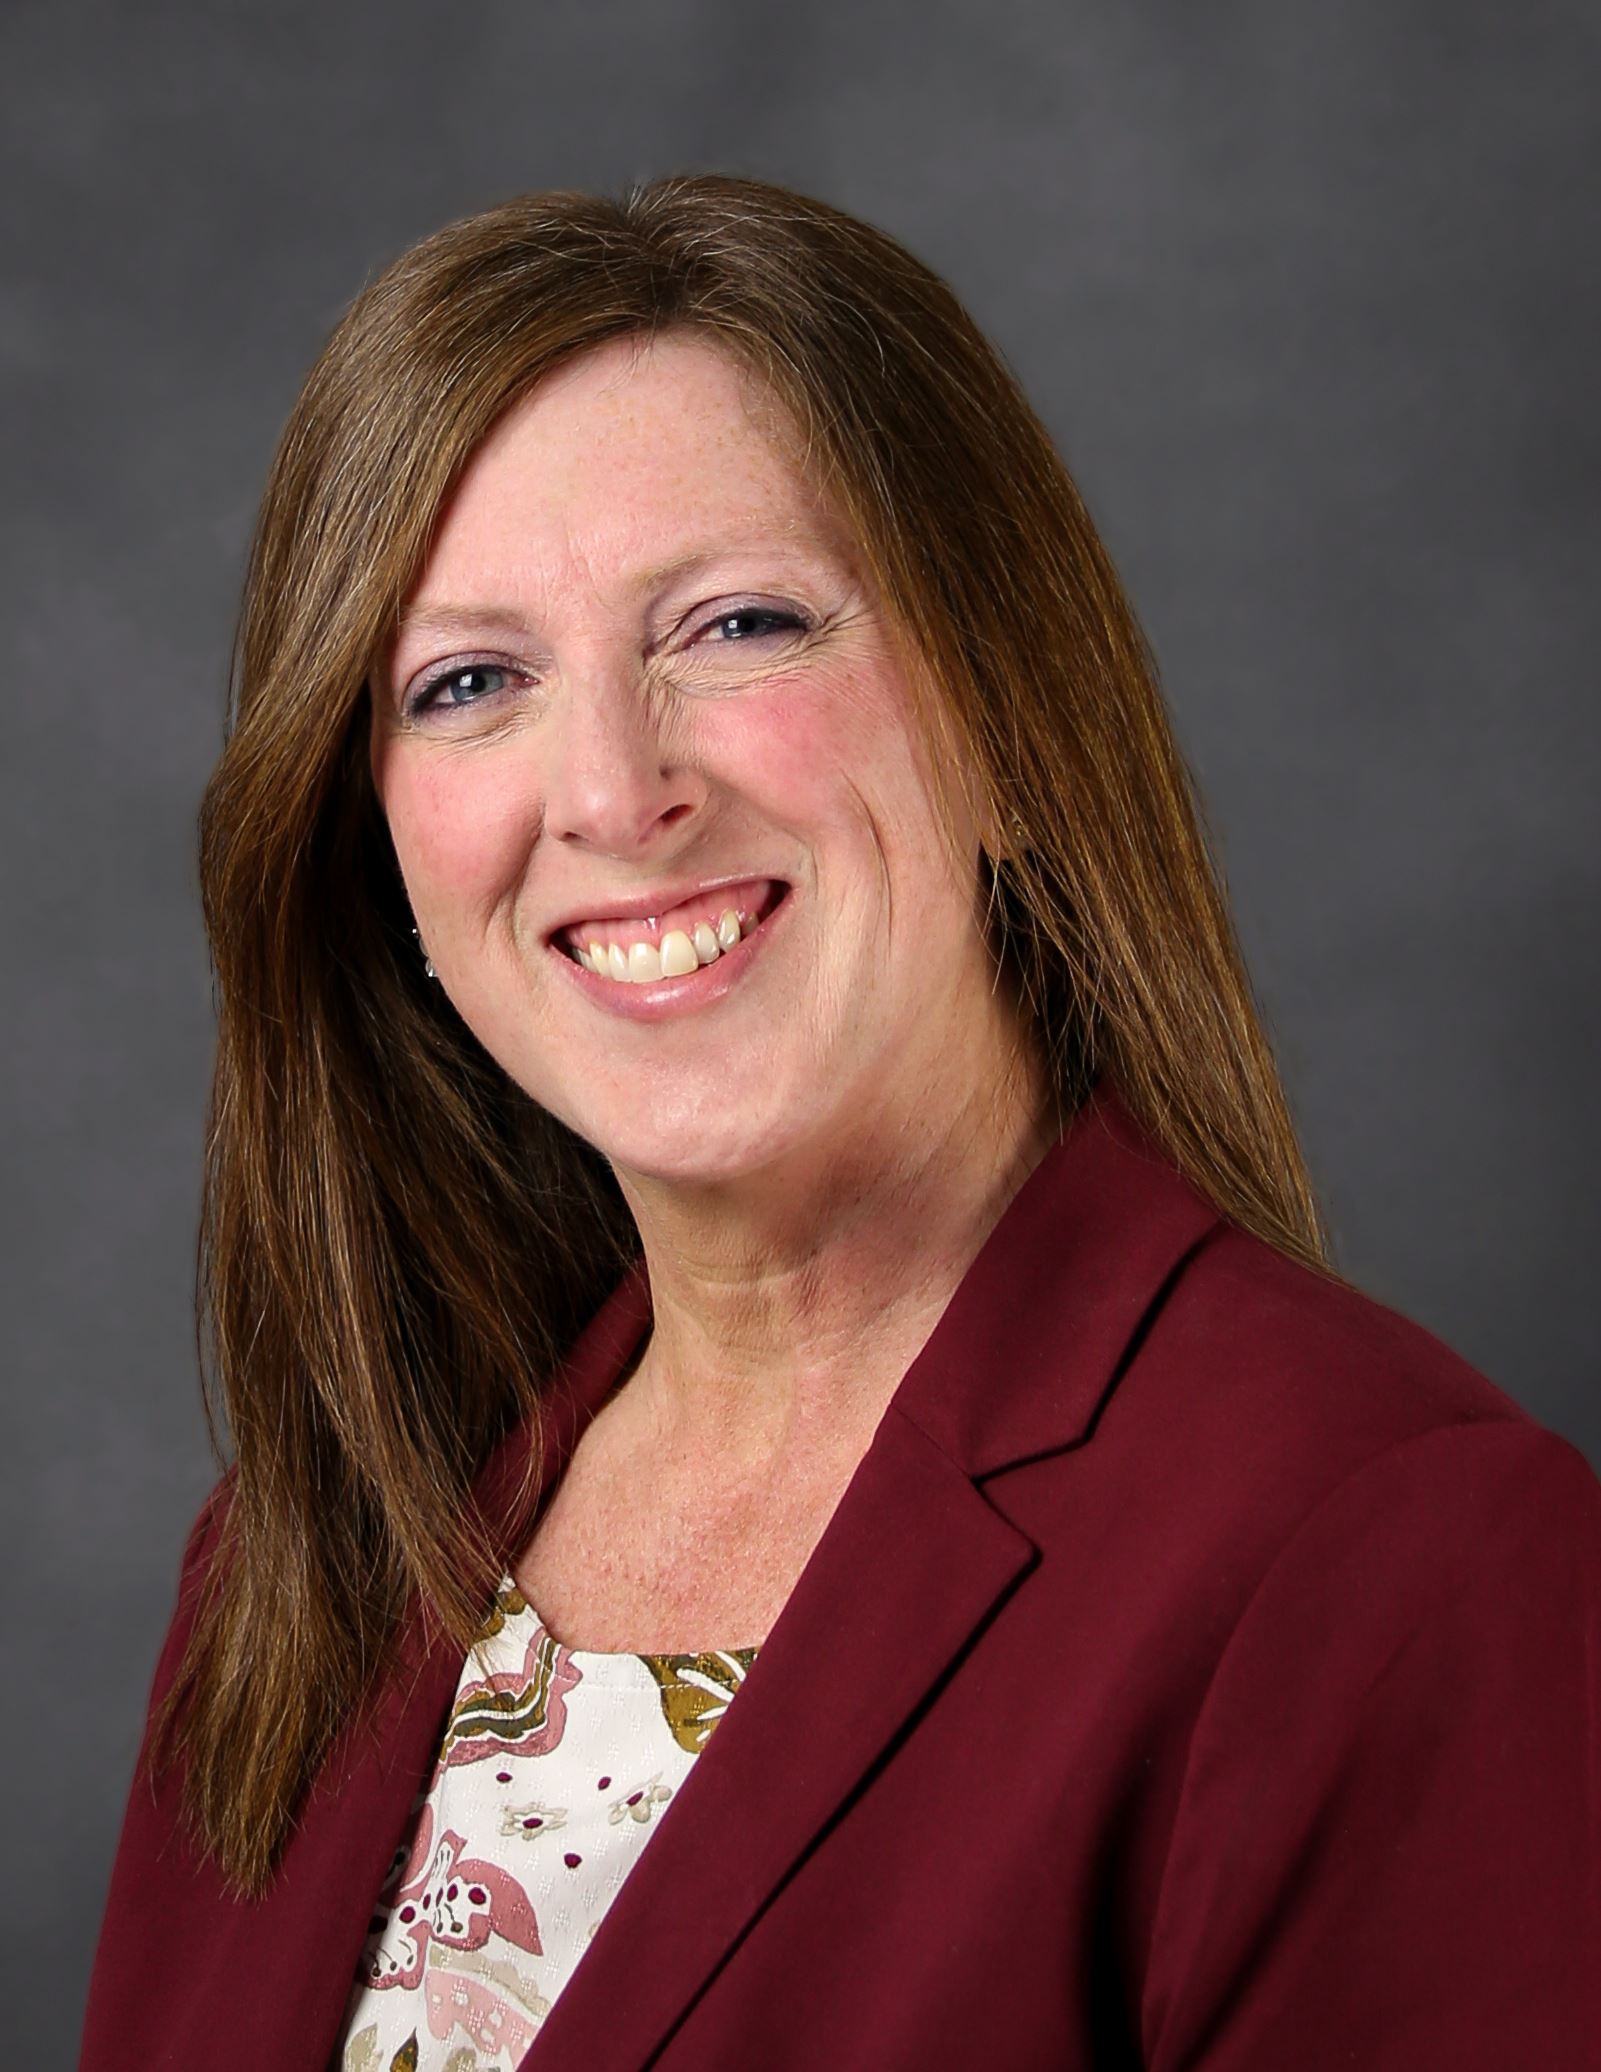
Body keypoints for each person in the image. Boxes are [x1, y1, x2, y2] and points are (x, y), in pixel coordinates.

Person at [81, 174, 1600, 2072]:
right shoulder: (306, 1574)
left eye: (736, 625)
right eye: (470, 683)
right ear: (375, 843)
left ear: (1009, 718)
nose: (616, 792)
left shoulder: (1384, 1560)